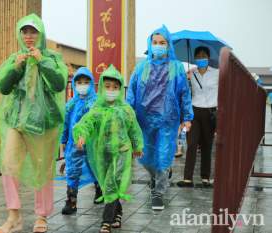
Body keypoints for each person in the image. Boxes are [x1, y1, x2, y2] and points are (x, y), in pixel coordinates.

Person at [0, 13, 68, 233]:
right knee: (8, 163)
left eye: (33, 31)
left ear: (41, 33)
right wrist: (16, 68)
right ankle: (13, 216)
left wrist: (41, 61)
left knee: (42, 168)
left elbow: (59, 82)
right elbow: (3, 87)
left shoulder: (52, 57)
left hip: (42, 123)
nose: (28, 36)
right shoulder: (15, 57)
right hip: (16, 122)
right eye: (24, 31)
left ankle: (41, 216)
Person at [126, 25, 193, 210]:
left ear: (168, 45)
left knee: (163, 155)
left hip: (168, 120)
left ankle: (158, 192)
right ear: (150, 44)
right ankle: (157, 176)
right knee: (145, 157)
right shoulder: (142, 68)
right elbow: (131, 92)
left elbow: (184, 93)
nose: (158, 46)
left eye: (162, 43)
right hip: (144, 120)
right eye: (155, 42)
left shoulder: (176, 67)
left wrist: (187, 116)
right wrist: (128, 114)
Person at [73, 65, 143, 233]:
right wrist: (81, 135)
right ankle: (118, 213)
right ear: (102, 88)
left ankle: (106, 222)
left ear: (120, 89)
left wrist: (137, 145)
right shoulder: (96, 110)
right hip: (102, 155)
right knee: (108, 186)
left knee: (112, 184)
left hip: (122, 153)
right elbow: (85, 123)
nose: (112, 90)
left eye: (116, 87)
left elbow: (134, 129)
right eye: (108, 86)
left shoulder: (126, 110)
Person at [60, 67, 103, 215]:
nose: (82, 85)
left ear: (91, 84)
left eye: (86, 82)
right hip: (74, 144)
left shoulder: (97, 103)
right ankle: (71, 202)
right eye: (79, 82)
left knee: (95, 167)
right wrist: (64, 139)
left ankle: (99, 190)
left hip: (93, 144)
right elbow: (65, 124)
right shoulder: (71, 104)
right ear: (74, 84)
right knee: (72, 170)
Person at [177, 46, 218, 188]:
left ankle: (205, 178)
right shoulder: (191, 73)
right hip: (194, 112)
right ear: (195, 58)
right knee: (192, 144)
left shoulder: (217, 73)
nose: (201, 58)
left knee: (207, 145)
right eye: (199, 56)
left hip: (211, 112)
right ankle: (187, 178)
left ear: (208, 57)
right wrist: (186, 78)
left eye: (204, 55)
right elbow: (183, 91)